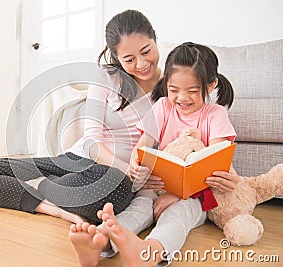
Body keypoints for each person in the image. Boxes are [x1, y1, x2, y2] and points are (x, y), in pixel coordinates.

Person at [0, 10, 161, 230]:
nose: (141, 64)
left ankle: (43, 188)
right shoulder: (106, 78)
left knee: (114, 192)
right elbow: (92, 140)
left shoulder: (176, 85)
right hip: (80, 160)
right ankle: (49, 204)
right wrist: (127, 170)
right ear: (116, 58)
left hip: (112, 179)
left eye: (146, 51)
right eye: (129, 59)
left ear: (155, 39)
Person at [69, 42, 241, 267]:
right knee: (139, 206)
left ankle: (152, 251)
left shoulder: (215, 115)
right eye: (173, 90)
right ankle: (101, 241)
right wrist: (135, 164)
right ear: (165, 85)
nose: (181, 98)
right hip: (157, 185)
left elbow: (211, 163)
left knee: (178, 214)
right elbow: (143, 146)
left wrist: (179, 195)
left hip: (196, 196)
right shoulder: (162, 107)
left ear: (210, 86)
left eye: (191, 91)